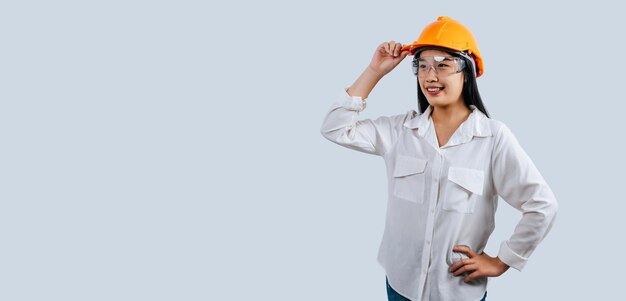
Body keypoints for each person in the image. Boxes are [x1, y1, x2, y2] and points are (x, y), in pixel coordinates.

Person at [320, 16, 558, 301]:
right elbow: (335, 127)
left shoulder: (494, 138)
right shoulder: (399, 132)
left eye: (443, 65)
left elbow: (542, 205)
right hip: (400, 285)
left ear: (466, 72)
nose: (430, 76)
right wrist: (375, 71)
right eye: (422, 66)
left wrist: (503, 260)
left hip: (458, 291)